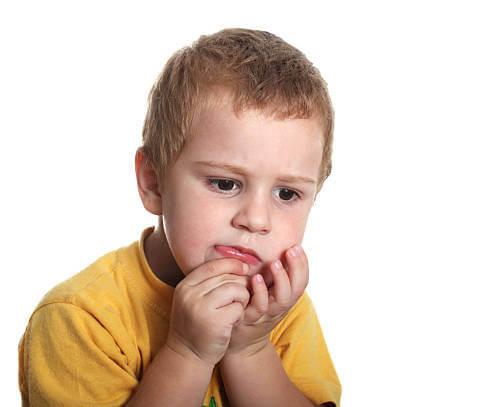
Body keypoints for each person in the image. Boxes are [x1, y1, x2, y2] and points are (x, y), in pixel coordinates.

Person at [18, 28, 341, 407]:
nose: (256, 219)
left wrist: (250, 350)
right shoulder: (80, 319)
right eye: (224, 183)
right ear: (154, 182)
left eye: (287, 193)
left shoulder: (277, 307)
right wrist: (188, 352)